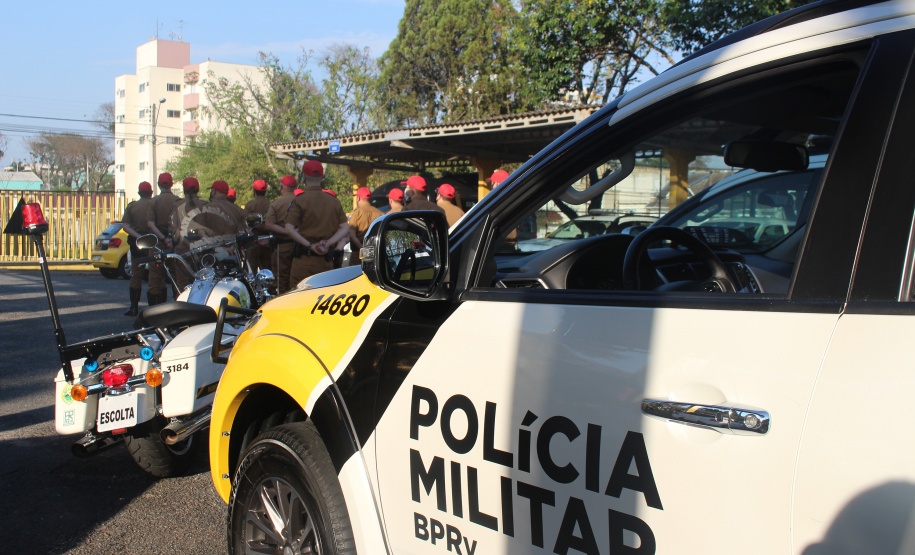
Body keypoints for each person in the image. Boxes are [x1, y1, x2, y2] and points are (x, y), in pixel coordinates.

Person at [284, 160, 349, 286]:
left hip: (303, 262)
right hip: (326, 262)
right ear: (322, 177)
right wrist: (327, 243)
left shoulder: (300, 200)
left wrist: (310, 245)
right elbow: (344, 227)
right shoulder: (334, 202)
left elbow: (289, 228)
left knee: (300, 295)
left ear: (304, 177)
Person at [145, 172, 181, 303]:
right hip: (175, 242)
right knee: (177, 275)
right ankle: (179, 304)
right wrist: (171, 238)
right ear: (171, 184)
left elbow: (150, 224)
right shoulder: (178, 201)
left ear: (158, 185)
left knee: (155, 277)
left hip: (158, 243)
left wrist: (163, 239)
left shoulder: (153, 201)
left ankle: (155, 308)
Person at [168, 177, 210, 291]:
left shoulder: (177, 205)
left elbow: (173, 228)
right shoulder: (206, 205)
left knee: (182, 283)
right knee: (203, 282)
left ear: (184, 190)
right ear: (198, 189)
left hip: (182, 248)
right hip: (202, 248)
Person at [120, 181, 154, 316]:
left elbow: (125, 226)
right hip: (154, 242)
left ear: (139, 193)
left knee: (136, 276)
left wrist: (139, 236)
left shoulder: (132, 206)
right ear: (151, 192)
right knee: (155, 276)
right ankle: (154, 307)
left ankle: (133, 307)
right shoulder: (154, 204)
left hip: (137, 244)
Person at [264, 175, 298, 293]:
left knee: (281, 280)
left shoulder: (276, 204)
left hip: (282, 248)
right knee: (298, 279)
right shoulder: (303, 202)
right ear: (295, 187)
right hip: (301, 247)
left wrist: (287, 231)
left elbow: (268, 224)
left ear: (281, 187)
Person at [347, 186, 384, 266]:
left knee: (356, 272)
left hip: (358, 253)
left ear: (358, 198)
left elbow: (351, 235)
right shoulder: (380, 213)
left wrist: (363, 249)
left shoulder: (356, 213)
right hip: (375, 251)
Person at [244, 179, 272, 273]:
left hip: (253, 245)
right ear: (265, 191)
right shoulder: (271, 205)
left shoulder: (250, 206)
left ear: (254, 191)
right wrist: (267, 240)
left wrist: (257, 240)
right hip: (268, 245)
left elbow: (246, 227)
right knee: (268, 273)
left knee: (252, 274)